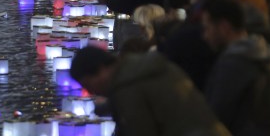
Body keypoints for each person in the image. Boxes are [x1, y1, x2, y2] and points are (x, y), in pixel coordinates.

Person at [69, 46, 229, 136]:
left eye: (89, 85)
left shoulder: (128, 86)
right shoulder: (142, 67)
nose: (91, 92)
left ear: (101, 69)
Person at [201, 0, 270, 136]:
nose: (205, 35)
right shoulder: (264, 52)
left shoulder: (233, 63)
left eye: (207, 28)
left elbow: (215, 116)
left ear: (224, 27)